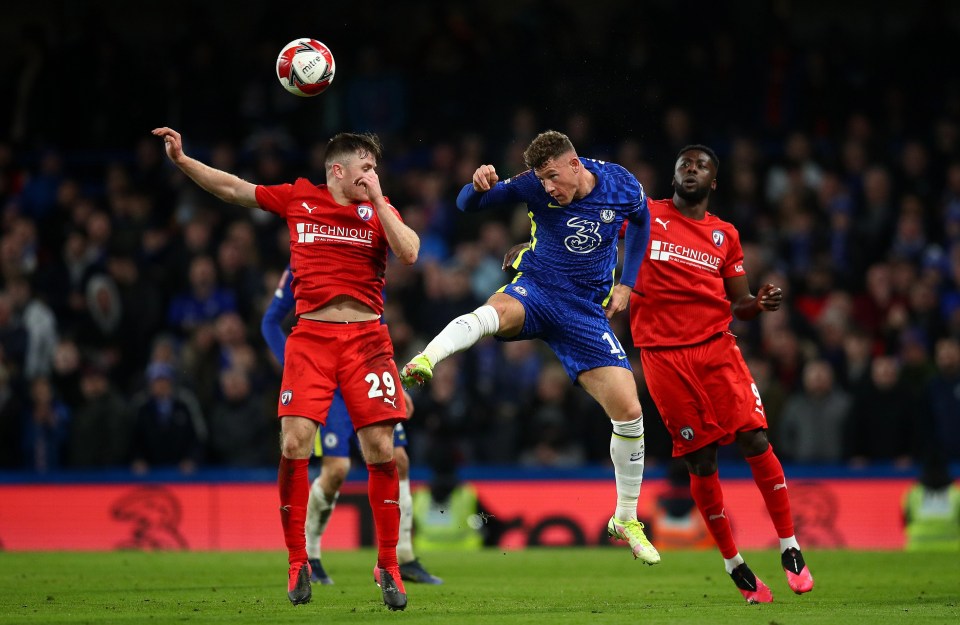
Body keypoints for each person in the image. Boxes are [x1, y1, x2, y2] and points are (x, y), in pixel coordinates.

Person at [153, 126, 419, 610]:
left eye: (376, 169)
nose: (372, 176)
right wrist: (184, 161)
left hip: (367, 339)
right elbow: (234, 188)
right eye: (366, 168)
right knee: (295, 442)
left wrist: (380, 201)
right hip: (312, 339)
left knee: (381, 448)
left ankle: (388, 564)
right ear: (338, 170)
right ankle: (298, 561)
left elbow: (410, 252)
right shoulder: (300, 197)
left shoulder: (380, 211)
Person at [400, 130, 660, 564]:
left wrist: (628, 284)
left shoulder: (621, 185)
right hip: (538, 289)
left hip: (583, 312)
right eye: (542, 180)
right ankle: (426, 358)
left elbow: (643, 221)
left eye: (554, 177)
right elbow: (468, 204)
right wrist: (475, 184)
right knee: (496, 312)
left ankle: (626, 519)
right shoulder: (531, 185)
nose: (548, 188)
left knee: (630, 410)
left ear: (575, 164)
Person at [624, 145, 814, 603]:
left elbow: (741, 303)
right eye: (684, 164)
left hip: (715, 349)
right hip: (663, 357)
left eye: (702, 165)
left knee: (755, 440)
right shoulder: (645, 214)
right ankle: (736, 565)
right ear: (674, 176)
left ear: (714, 182)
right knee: (701, 460)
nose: (691, 169)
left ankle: (789, 546)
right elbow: (589, 224)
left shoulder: (724, 235)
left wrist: (760, 303)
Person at [261, 264, 442, 586]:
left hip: (365, 373)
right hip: (326, 382)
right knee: (337, 470)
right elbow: (270, 321)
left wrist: (395, 383)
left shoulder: (366, 260)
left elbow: (375, 325)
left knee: (397, 459)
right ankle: (311, 556)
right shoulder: (306, 260)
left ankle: (404, 556)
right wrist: (295, 364)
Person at [902, 453, 960, 551]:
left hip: (917, 546)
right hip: (951, 548)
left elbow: (906, 520)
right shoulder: (956, 494)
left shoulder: (913, 493)